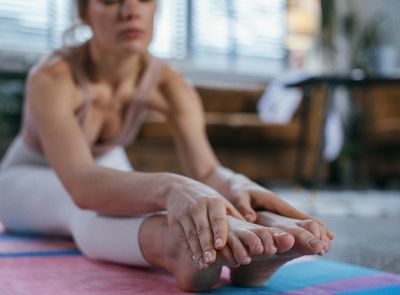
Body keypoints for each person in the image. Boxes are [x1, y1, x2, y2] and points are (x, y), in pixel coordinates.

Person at [0, 0, 333, 291]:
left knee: (179, 197)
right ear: (85, 12)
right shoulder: (52, 76)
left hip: (102, 163)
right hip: (28, 176)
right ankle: (172, 246)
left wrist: (238, 188)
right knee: (86, 209)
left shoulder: (170, 84)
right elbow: (81, 183)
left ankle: (257, 238)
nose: (131, 10)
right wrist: (171, 186)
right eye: (111, 0)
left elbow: (205, 170)